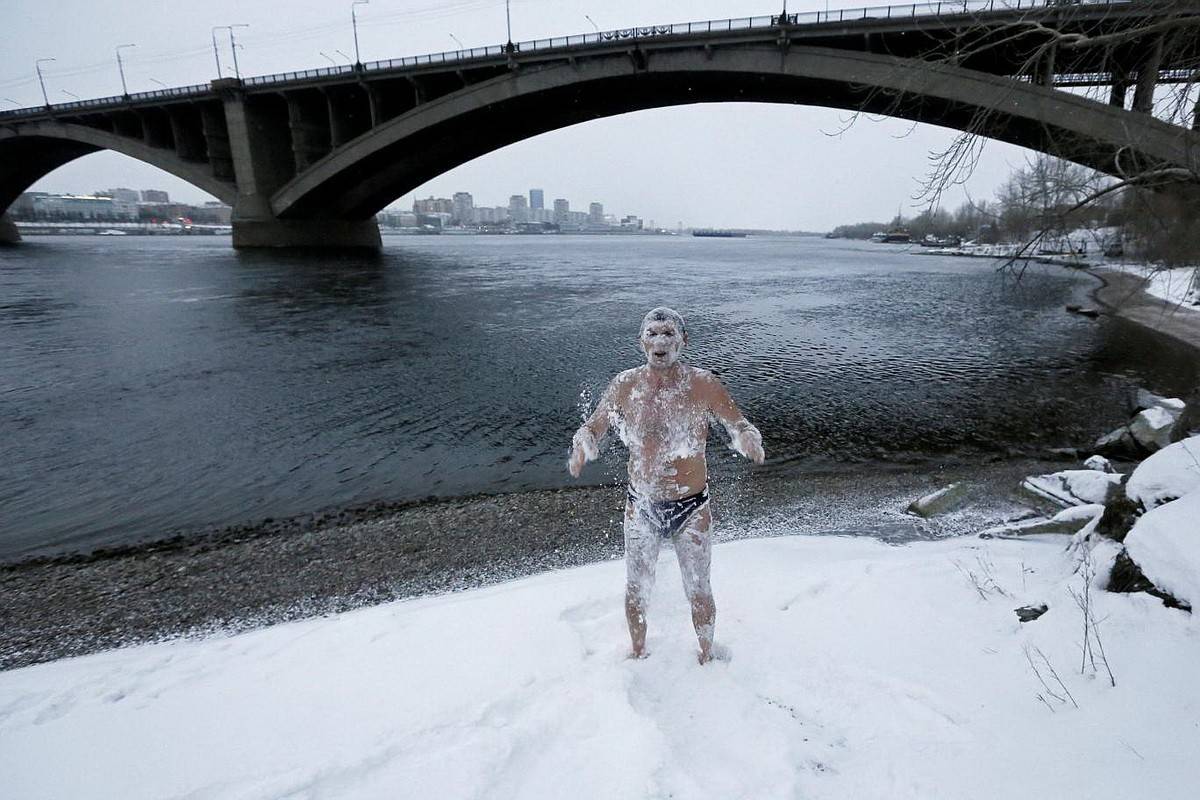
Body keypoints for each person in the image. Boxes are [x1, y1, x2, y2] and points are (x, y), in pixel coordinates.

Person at [568, 307, 764, 664]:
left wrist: (748, 439)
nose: (661, 341)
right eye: (653, 334)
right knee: (636, 589)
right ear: (641, 341)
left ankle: (707, 654)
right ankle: (638, 652)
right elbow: (594, 426)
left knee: (699, 589)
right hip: (642, 506)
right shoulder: (625, 386)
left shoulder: (703, 385)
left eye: (669, 334)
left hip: (692, 507)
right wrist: (582, 445)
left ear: (683, 341)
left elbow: (738, 423)